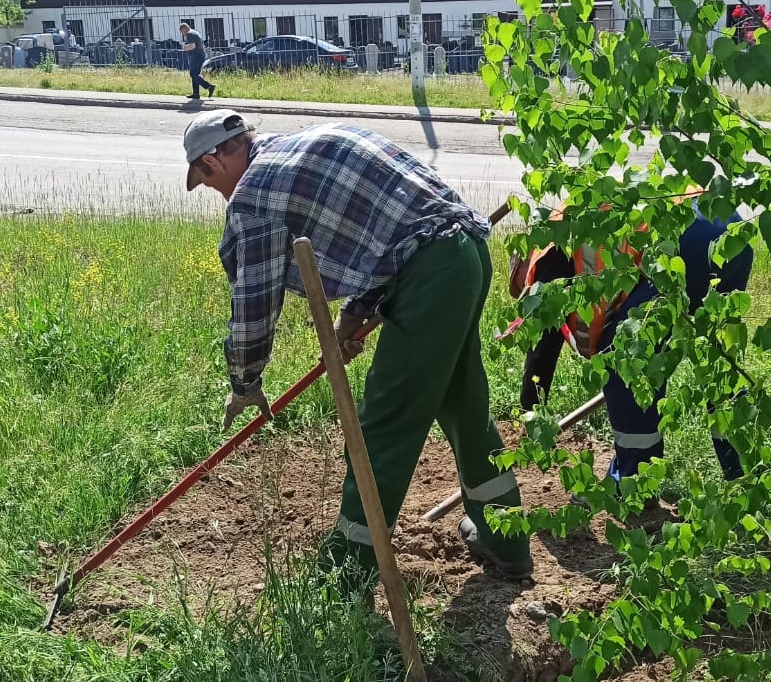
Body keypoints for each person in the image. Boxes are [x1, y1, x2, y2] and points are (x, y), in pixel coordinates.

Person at [181, 108, 533, 585]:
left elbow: (254, 301)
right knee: (462, 404)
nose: (217, 193)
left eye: (206, 182)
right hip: (464, 255)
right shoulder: (302, 147)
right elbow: (384, 231)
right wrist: (356, 312)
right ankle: (504, 536)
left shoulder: (254, 195)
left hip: (432, 274)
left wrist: (245, 381)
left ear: (213, 161)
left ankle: (348, 571)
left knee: (383, 427)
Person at [507, 197, 754, 486]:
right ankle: (746, 476)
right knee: (717, 359)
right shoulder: (579, 219)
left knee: (624, 360)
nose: (526, 291)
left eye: (520, 285)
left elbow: (543, 344)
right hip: (728, 228)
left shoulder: (547, 253)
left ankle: (634, 482)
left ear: (523, 259)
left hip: (682, 241)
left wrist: (531, 411)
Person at [179, 22, 215, 100]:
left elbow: (192, 46)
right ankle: (196, 93)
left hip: (196, 56)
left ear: (184, 29)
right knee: (196, 74)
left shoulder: (189, 34)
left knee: (193, 74)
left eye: (182, 32)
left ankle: (209, 86)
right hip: (200, 55)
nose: (183, 34)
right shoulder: (194, 32)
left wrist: (184, 47)